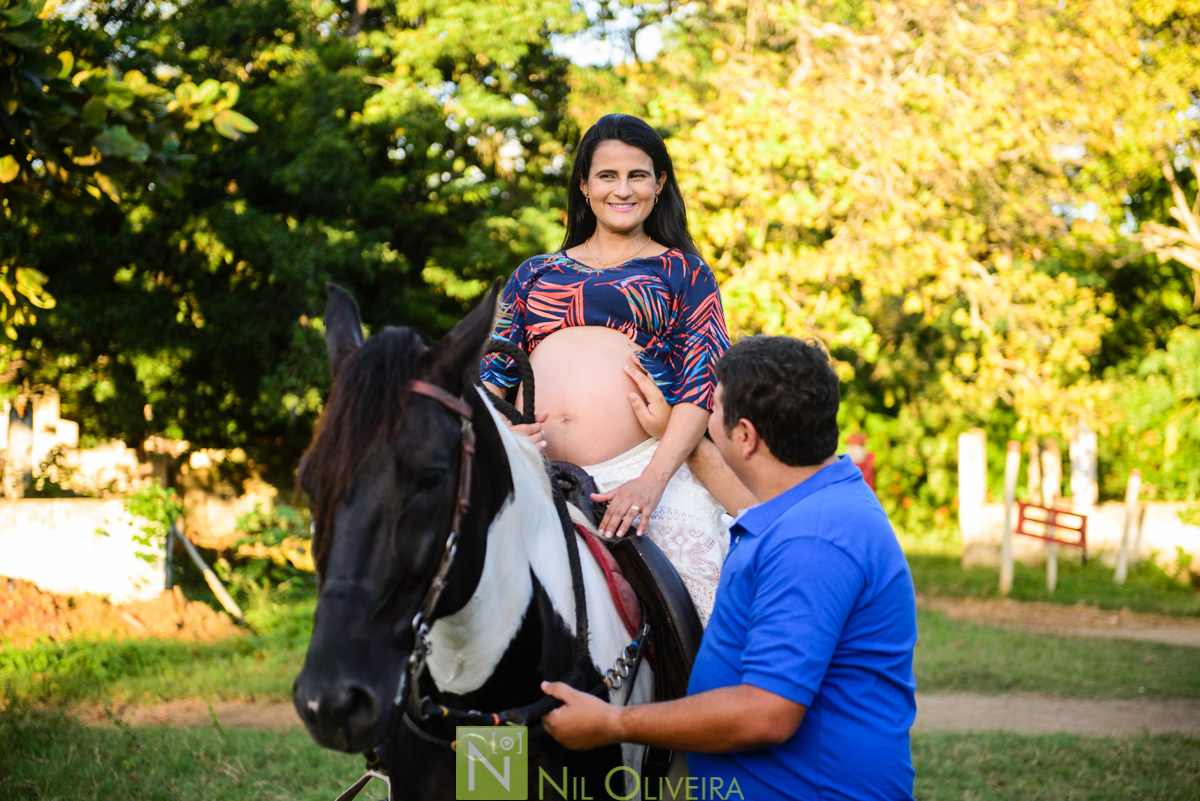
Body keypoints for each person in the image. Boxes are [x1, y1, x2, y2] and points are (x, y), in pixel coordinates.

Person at [541, 336, 918, 801]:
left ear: (745, 437)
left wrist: (609, 723)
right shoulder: (811, 507)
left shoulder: (813, 541)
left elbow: (765, 713)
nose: (700, 416)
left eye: (711, 409)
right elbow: (751, 505)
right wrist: (675, 437)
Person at [480, 113, 731, 623]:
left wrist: (652, 482)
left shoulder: (684, 273)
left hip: (642, 472)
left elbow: (700, 392)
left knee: (704, 577)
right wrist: (505, 438)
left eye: (637, 175)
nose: (623, 189)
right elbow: (491, 382)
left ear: (659, 184)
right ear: (585, 186)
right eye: (607, 176)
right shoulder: (534, 274)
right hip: (533, 473)